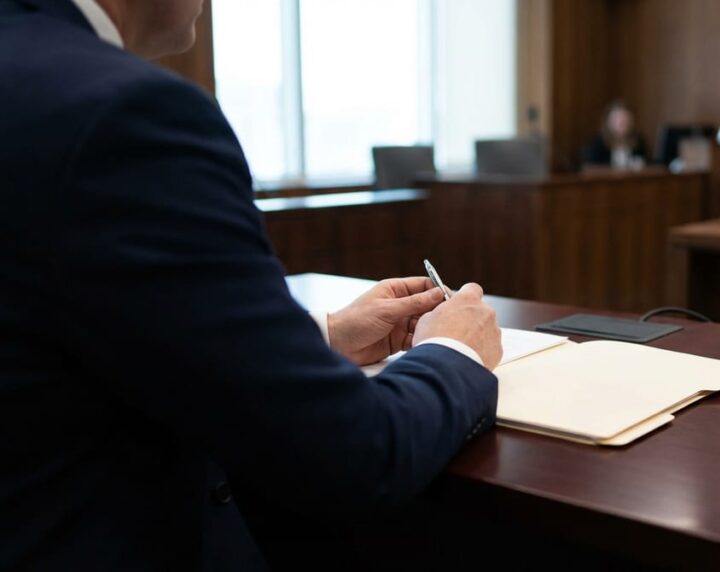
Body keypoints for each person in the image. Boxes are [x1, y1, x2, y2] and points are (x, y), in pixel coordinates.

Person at [0, 0, 503, 569]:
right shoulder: (126, 114)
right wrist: (455, 350)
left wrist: (323, 337)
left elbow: (76, 343)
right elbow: (351, 457)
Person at [581, 101, 648, 169]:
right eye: (617, 119)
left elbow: (647, 163)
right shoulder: (597, 143)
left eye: (625, 119)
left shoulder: (638, 141)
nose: (621, 123)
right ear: (608, 122)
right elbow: (589, 166)